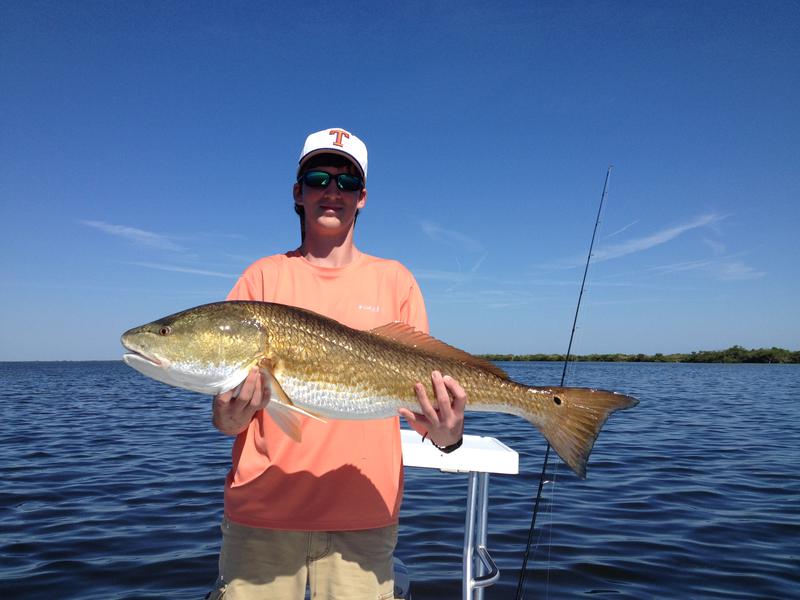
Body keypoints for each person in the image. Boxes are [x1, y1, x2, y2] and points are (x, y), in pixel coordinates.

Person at [208, 127, 467, 600]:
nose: (332, 191)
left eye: (346, 183)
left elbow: (433, 428)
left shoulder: (397, 281)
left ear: (362, 197)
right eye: (318, 178)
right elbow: (227, 420)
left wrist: (449, 435)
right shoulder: (261, 277)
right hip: (262, 516)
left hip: (364, 518)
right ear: (297, 193)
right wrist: (229, 414)